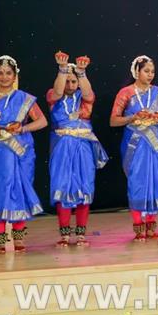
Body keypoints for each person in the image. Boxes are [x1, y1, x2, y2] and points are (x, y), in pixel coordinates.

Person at [0, 56, 47, 253]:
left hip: (21, 152)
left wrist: (21, 129)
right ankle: (0, 241)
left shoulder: (25, 99)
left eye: (8, 73)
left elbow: (42, 122)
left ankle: (19, 238)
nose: (4, 77)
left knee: (19, 190)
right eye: (0, 73)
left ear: (15, 76)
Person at [47, 51, 108, 246]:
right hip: (62, 147)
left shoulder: (84, 97)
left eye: (74, 82)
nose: (70, 85)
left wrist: (81, 72)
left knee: (84, 186)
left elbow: (88, 93)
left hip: (83, 147)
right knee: (62, 185)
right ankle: (64, 234)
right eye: (67, 81)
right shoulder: (53, 96)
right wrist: (62, 69)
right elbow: (57, 92)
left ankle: (81, 233)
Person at [110, 55, 158, 241]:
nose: (150, 74)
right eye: (146, 71)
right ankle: (138, 227)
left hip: (155, 144)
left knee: (155, 181)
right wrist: (133, 117)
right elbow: (113, 121)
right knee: (137, 182)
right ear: (136, 71)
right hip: (135, 144)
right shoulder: (125, 93)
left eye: (152, 71)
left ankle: (151, 228)